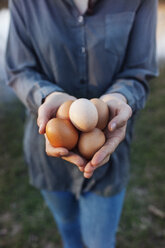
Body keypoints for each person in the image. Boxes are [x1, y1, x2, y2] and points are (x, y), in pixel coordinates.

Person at [5, 0, 158, 247]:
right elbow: (19, 70)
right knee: (68, 228)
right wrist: (49, 97)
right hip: (49, 156)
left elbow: (139, 70)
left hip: (108, 155)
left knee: (99, 241)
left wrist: (117, 98)